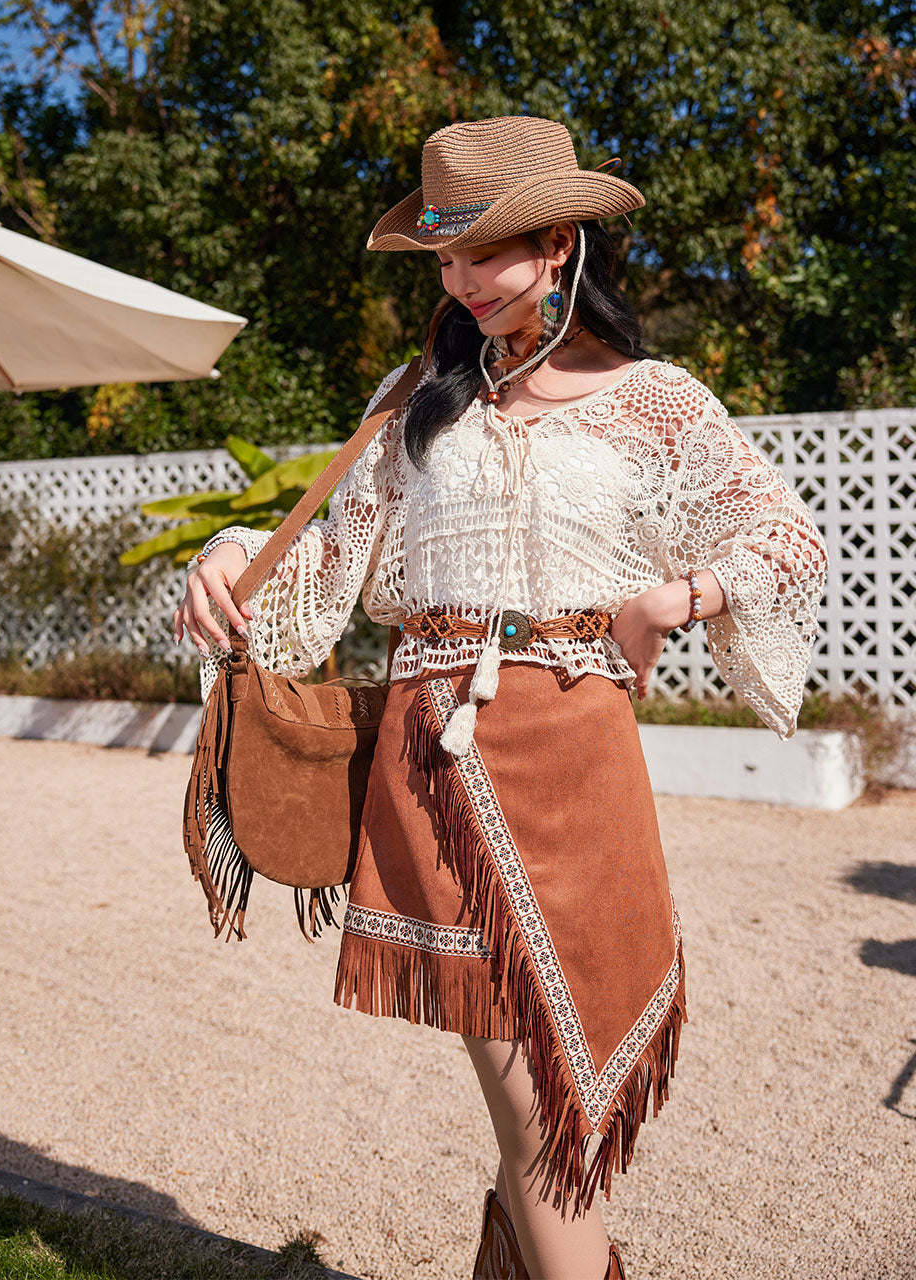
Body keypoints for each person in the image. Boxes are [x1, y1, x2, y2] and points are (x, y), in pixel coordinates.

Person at [173, 116, 829, 1280]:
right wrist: (231, 555)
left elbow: (785, 540)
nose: (461, 281)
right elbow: (331, 568)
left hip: (585, 763)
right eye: (444, 256)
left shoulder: (656, 401)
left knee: (564, 1103)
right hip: (438, 760)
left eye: (485, 251)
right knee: (535, 1107)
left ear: (562, 241)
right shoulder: (417, 397)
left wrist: (673, 597)